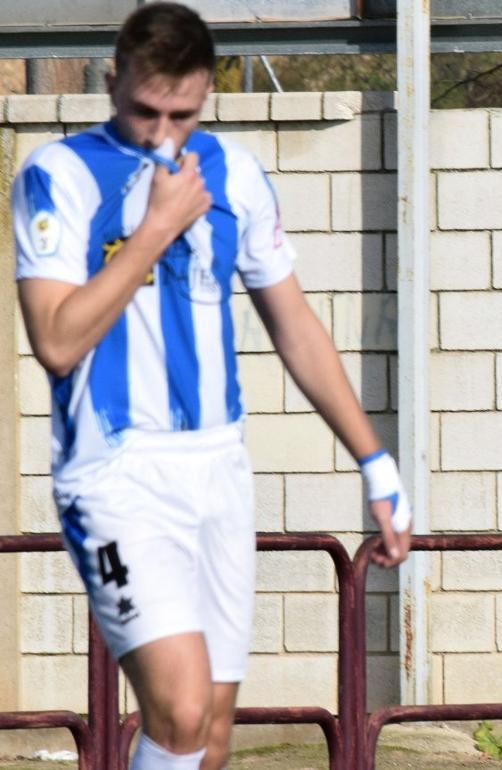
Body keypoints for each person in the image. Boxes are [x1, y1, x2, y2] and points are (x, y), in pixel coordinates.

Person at [11, 4, 412, 768]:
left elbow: (295, 326)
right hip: (114, 473)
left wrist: (375, 464)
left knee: (213, 736)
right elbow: (57, 342)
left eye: (182, 114)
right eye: (144, 110)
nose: (162, 132)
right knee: (180, 708)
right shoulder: (57, 174)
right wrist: (155, 231)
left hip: (218, 468)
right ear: (110, 83)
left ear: (207, 100)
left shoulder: (235, 175)